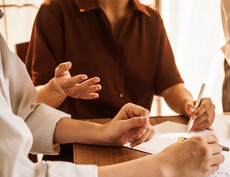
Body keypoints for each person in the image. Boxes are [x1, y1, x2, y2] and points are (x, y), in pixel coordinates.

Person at [0, 28, 224, 177]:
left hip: (118, 152)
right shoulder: (56, 11)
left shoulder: (149, 20)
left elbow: (22, 113)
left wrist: (103, 132)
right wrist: (165, 166)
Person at [25, 0, 215, 132]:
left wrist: (189, 106)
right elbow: (34, 101)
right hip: (76, 146)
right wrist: (59, 89)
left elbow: (171, 85)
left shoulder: (151, 20)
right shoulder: (55, 11)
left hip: (136, 143)